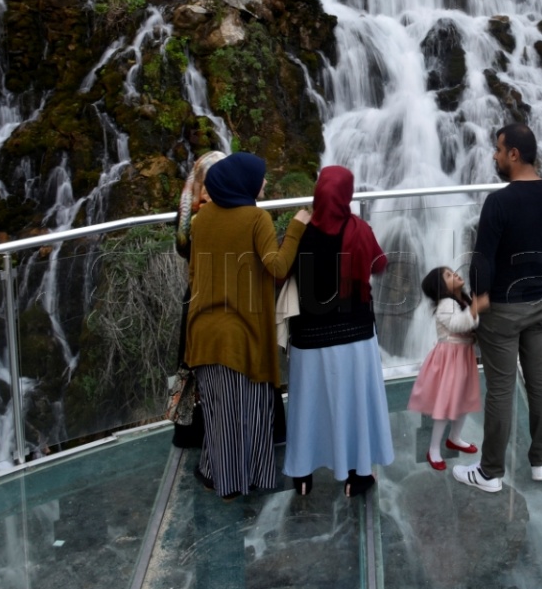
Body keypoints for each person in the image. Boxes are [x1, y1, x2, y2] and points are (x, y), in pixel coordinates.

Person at [453, 123, 542, 493]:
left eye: (498, 149)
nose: (494, 155)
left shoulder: (500, 202)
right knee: (540, 383)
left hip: (503, 308)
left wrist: (479, 297)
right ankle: (540, 461)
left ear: (514, 155)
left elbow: (482, 258)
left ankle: (490, 472)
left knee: (502, 390)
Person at [185, 152, 310, 499]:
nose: (265, 182)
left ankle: (215, 474)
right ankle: (244, 481)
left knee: (217, 412)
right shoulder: (257, 218)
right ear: (244, 183)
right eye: (261, 177)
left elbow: (193, 272)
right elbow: (278, 267)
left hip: (202, 332)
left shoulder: (201, 218)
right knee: (250, 410)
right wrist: (298, 226)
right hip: (242, 335)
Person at [283, 166, 394, 498]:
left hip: (309, 337)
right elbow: (380, 265)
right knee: (355, 403)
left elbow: (279, 271)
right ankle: (357, 476)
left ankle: (302, 475)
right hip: (354, 334)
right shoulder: (359, 229)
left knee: (307, 405)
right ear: (347, 196)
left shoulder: (299, 231)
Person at [172, 149, 227, 449]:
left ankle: (196, 431)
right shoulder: (201, 212)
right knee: (203, 363)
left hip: (204, 296)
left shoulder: (193, 211)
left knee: (199, 361)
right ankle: (200, 431)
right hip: (212, 296)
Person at [408, 266, 486, 470]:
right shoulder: (445, 304)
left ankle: (455, 437)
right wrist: (475, 308)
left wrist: (473, 308)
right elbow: (459, 325)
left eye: (453, 272)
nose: (456, 275)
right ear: (440, 287)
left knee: (464, 399)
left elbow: (470, 325)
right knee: (445, 404)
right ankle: (433, 449)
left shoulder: (461, 302)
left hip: (464, 356)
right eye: (449, 276)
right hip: (449, 359)